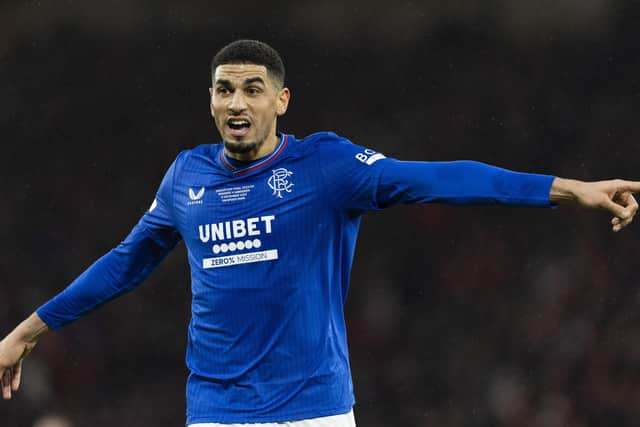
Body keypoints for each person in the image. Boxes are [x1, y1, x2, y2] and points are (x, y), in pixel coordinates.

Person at [1, 39, 639, 427]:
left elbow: (441, 178)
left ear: (282, 101)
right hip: (217, 411)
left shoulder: (327, 168)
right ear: (210, 100)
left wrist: (566, 189)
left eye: (254, 90)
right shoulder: (185, 177)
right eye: (225, 90)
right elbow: (126, 262)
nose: (237, 104)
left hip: (316, 410)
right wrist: (26, 333)